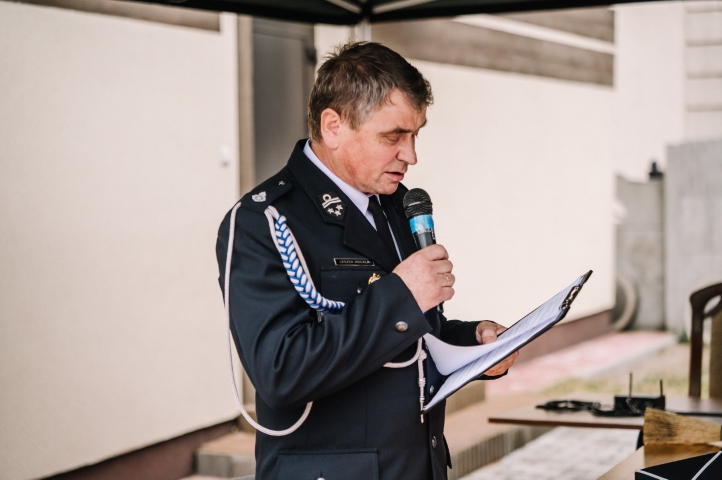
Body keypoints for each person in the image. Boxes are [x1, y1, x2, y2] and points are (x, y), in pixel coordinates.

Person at [216, 42, 518, 480]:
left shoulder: (395, 205)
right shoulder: (260, 221)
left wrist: (474, 343)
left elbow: (410, 341)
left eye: (415, 135)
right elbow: (280, 371)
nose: (410, 155)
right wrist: (401, 295)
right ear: (333, 126)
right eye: (393, 136)